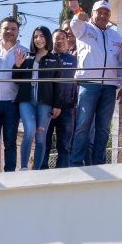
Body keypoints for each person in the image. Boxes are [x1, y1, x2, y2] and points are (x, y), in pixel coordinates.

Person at [66, 0, 122, 166]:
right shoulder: (84, 28)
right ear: (93, 13)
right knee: (83, 125)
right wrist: (77, 10)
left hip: (109, 87)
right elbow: (76, 23)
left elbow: (120, 63)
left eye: (106, 13)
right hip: (88, 85)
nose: (103, 15)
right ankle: (76, 163)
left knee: (103, 128)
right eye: (99, 12)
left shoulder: (115, 35)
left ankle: (99, 163)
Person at [0, 17, 26, 173]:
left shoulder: (24, 51)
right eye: (6, 28)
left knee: (10, 142)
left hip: (12, 104)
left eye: (13, 29)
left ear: (18, 32)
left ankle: (10, 173)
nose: (9, 31)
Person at [16, 26, 60, 170]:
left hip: (45, 102)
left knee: (41, 137)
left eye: (42, 36)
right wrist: (17, 65)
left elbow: (58, 84)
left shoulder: (54, 59)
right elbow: (16, 79)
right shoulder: (27, 57)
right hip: (26, 100)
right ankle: (23, 168)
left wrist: (57, 105)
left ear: (47, 38)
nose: (38, 39)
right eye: (35, 37)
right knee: (29, 131)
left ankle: (36, 170)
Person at [43, 28, 78, 168]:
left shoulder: (75, 60)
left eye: (63, 38)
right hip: (46, 108)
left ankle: (63, 173)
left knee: (65, 145)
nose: (60, 41)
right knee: (44, 143)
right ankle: (41, 171)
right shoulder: (45, 58)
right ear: (51, 41)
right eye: (57, 38)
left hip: (67, 109)